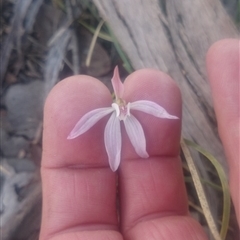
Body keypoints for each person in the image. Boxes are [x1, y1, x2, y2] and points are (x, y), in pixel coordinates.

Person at [39, 39, 239, 240]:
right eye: (120, 105)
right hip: (115, 120)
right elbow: (87, 129)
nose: (123, 108)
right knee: (115, 154)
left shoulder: (129, 112)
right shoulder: (112, 116)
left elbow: (159, 113)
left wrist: (149, 116)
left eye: (122, 105)